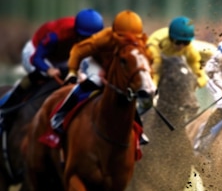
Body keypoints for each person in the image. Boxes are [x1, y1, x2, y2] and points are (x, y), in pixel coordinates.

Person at [50, 9, 151, 144]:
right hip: (98, 63)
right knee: (95, 81)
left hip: (120, 69)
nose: (128, 42)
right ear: (114, 33)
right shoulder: (103, 38)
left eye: (133, 39)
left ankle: (138, 130)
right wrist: (73, 72)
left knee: (128, 91)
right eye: (122, 37)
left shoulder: (142, 45)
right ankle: (60, 114)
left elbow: (146, 62)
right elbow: (78, 50)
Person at [0, 8, 104, 130]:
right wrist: (48, 70)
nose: (89, 42)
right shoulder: (57, 35)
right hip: (35, 52)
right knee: (42, 75)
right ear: (77, 32)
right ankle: (7, 108)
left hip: (61, 57)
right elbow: (36, 58)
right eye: (85, 38)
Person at [146, 16, 207, 90]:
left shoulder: (190, 50)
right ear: (171, 38)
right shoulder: (155, 43)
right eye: (178, 42)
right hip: (156, 60)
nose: (181, 46)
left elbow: (201, 76)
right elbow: (156, 71)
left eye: (185, 42)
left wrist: (194, 84)